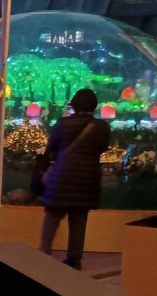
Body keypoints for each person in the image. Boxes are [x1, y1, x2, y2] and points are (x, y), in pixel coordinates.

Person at [39, 88, 111, 270]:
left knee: (52, 218)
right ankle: (74, 260)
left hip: (61, 178)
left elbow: (52, 148)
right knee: (79, 222)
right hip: (86, 181)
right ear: (94, 106)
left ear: (74, 104)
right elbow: (102, 148)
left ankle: (43, 254)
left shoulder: (62, 124)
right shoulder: (101, 127)